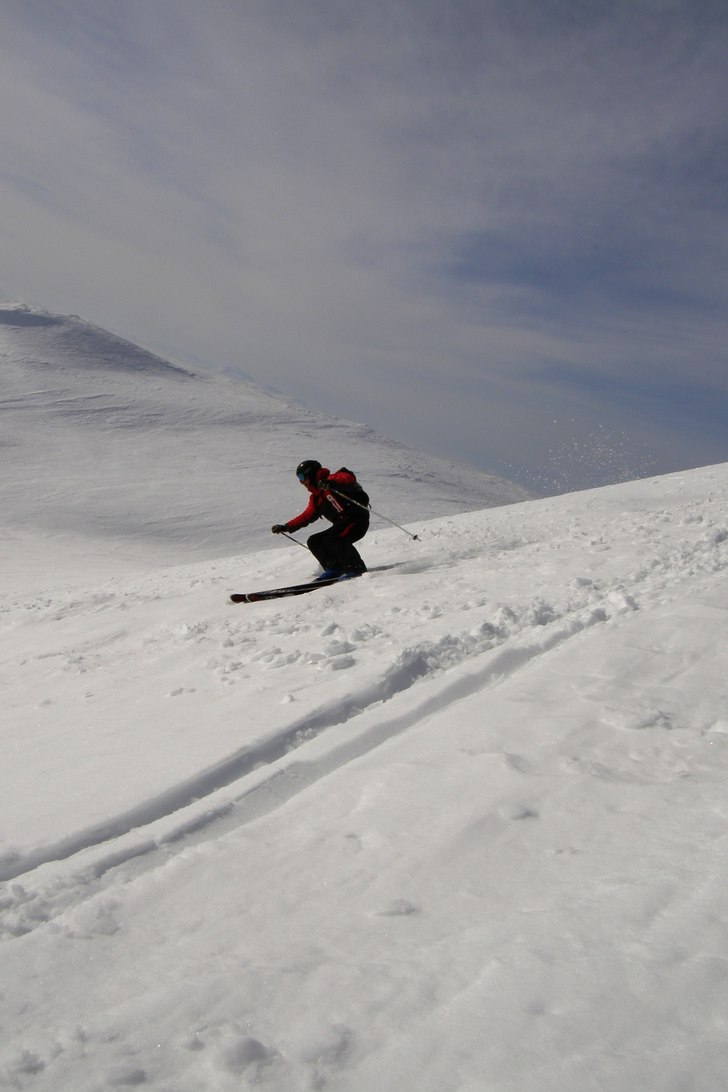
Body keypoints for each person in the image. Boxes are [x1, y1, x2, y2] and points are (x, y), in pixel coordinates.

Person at [272, 460, 370, 579]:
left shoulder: (332, 478)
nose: (301, 482)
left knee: (333, 538)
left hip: (357, 519)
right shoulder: (316, 497)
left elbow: (348, 478)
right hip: (341, 524)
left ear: (311, 473)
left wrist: (330, 483)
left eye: (302, 476)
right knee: (314, 541)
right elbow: (306, 516)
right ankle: (334, 568)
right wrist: (286, 526)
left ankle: (355, 567)